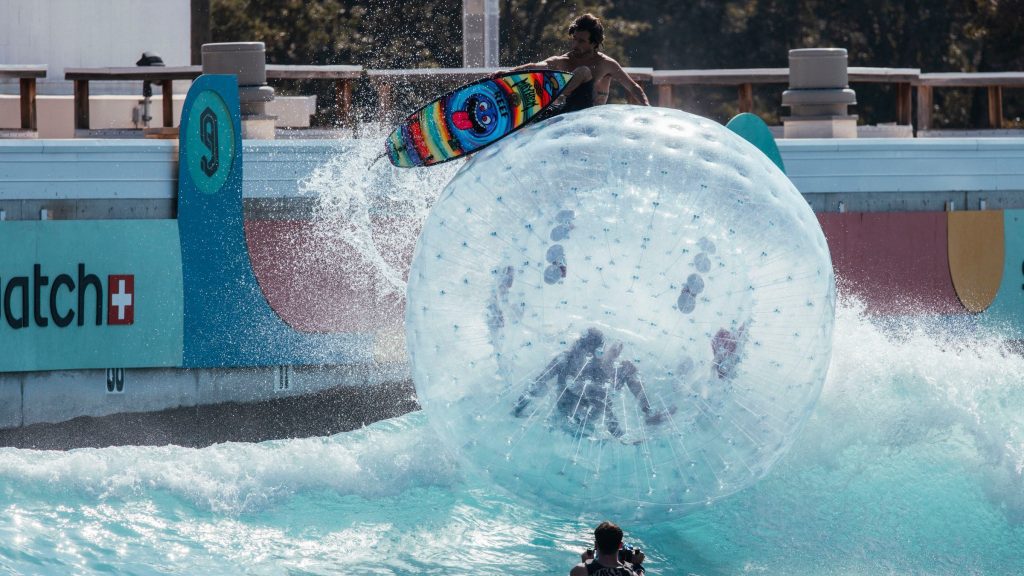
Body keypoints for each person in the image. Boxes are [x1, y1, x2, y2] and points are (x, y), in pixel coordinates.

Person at [512, 328, 675, 438]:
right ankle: (648, 414)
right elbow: (539, 382)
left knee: (626, 369)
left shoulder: (583, 364)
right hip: (570, 420)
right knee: (606, 382)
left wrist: (618, 433)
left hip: (580, 422)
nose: (589, 354)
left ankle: (648, 413)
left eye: (593, 351)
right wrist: (518, 408)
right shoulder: (566, 360)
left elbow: (606, 403)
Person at [502, 13, 650, 118]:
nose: (575, 45)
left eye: (581, 41)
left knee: (584, 72)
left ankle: (551, 94)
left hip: (592, 116)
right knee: (575, 75)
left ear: (594, 43)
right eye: (574, 39)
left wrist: (648, 109)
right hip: (565, 112)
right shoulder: (565, 60)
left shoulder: (606, 64)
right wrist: (507, 72)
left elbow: (633, 87)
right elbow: (537, 66)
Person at [571, 521, 645, 576]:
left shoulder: (579, 571)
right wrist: (638, 566)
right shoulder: (630, 573)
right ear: (620, 546)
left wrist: (585, 562)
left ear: (596, 545)